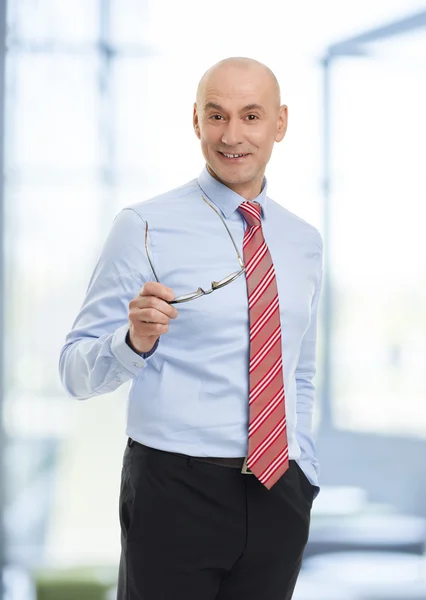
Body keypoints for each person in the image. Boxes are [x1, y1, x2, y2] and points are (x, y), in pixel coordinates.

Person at [59, 56, 324, 600]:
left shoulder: (303, 242)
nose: (232, 135)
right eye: (216, 114)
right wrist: (133, 342)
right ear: (196, 121)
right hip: (174, 492)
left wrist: (305, 471)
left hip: (279, 492)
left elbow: (300, 371)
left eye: (251, 116)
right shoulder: (144, 227)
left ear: (281, 123)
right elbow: (74, 371)